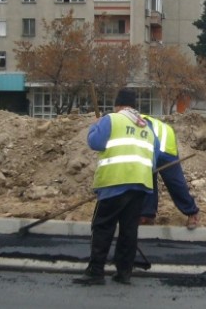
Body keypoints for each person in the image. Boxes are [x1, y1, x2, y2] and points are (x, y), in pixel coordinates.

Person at [73, 89, 157, 286]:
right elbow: (152, 162)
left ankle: (96, 272)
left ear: (118, 105)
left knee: (102, 227)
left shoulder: (111, 119)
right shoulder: (146, 127)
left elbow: (95, 143)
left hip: (114, 182)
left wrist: (95, 127)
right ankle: (124, 272)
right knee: (129, 230)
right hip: (140, 184)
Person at [138, 114, 200, 229]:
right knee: (147, 179)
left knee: (174, 182)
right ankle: (147, 214)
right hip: (149, 148)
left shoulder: (136, 121)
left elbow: (152, 140)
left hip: (164, 144)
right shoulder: (125, 123)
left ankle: (192, 212)